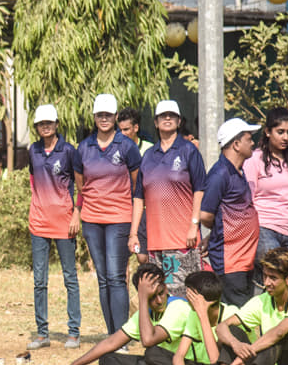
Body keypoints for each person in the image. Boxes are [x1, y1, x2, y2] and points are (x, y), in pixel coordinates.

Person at [188, 247, 288, 365]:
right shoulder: (261, 301)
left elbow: (279, 332)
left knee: (277, 338)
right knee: (233, 331)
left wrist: (243, 357)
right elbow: (221, 327)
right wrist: (235, 344)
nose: (266, 283)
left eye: (273, 278)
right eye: (265, 276)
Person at [73, 94, 141, 335]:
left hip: (119, 219)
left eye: (108, 115)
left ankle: (121, 335)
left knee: (115, 277)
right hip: (92, 221)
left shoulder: (127, 146)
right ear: (94, 117)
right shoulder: (84, 147)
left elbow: (137, 186)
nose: (104, 119)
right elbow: (81, 184)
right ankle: (111, 334)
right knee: (103, 278)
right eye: (100, 115)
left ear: (115, 117)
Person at [58, 263, 181, 365]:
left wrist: (143, 298)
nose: (158, 300)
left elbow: (148, 341)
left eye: (161, 293)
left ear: (166, 287)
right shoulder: (145, 314)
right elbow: (110, 343)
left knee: (151, 353)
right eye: (151, 297)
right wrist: (75, 364)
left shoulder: (178, 307)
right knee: (107, 358)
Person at [128, 100, 206, 297]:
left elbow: (199, 190)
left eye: (172, 115)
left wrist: (193, 225)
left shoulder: (188, 151)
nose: (167, 118)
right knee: (159, 297)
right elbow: (139, 198)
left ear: (179, 121)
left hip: (182, 241)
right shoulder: (147, 156)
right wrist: (133, 233)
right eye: (163, 116)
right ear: (155, 122)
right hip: (156, 244)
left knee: (184, 297)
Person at [26, 104, 82, 350]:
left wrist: (76, 214)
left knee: (70, 278)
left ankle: (73, 331)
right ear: (36, 127)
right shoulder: (33, 151)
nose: (45, 127)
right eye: (41, 124)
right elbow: (32, 180)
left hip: (65, 223)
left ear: (57, 124)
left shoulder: (69, 151)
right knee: (40, 280)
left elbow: (81, 185)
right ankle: (42, 333)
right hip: (38, 223)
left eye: (49, 122)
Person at [200, 117, 261, 306]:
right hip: (231, 260)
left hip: (244, 258)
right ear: (236, 144)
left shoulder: (237, 171)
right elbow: (205, 215)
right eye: (248, 139)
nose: (253, 142)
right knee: (236, 315)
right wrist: (219, 231)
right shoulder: (220, 174)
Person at [141, 270, 226, 365]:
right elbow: (179, 355)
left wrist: (203, 314)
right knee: (152, 353)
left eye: (190, 295)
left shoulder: (229, 315)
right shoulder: (193, 314)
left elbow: (215, 360)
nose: (187, 298)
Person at [242, 107, 288, 283]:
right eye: (280, 132)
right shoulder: (255, 160)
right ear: (267, 132)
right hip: (266, 227)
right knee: (276, 278)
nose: (285, 137)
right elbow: (248, 199)